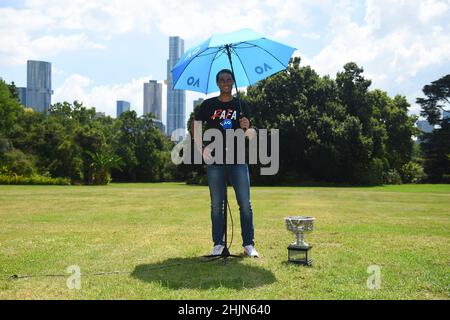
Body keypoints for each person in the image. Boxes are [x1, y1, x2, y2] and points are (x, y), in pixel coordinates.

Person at [193, 69, 259, 258]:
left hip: (238, 160)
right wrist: (202, 148)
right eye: (222, 79)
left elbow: (251, 136)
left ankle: (248, 245)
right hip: (215, 161)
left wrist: (248, 128)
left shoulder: (241, 105)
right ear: (217, 82)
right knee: (216, 205)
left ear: (233, 82)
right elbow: (196, 127)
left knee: (245, 204)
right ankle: (219, 245)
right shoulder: (208, 105)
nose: (225, 82)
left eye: (229, 79)